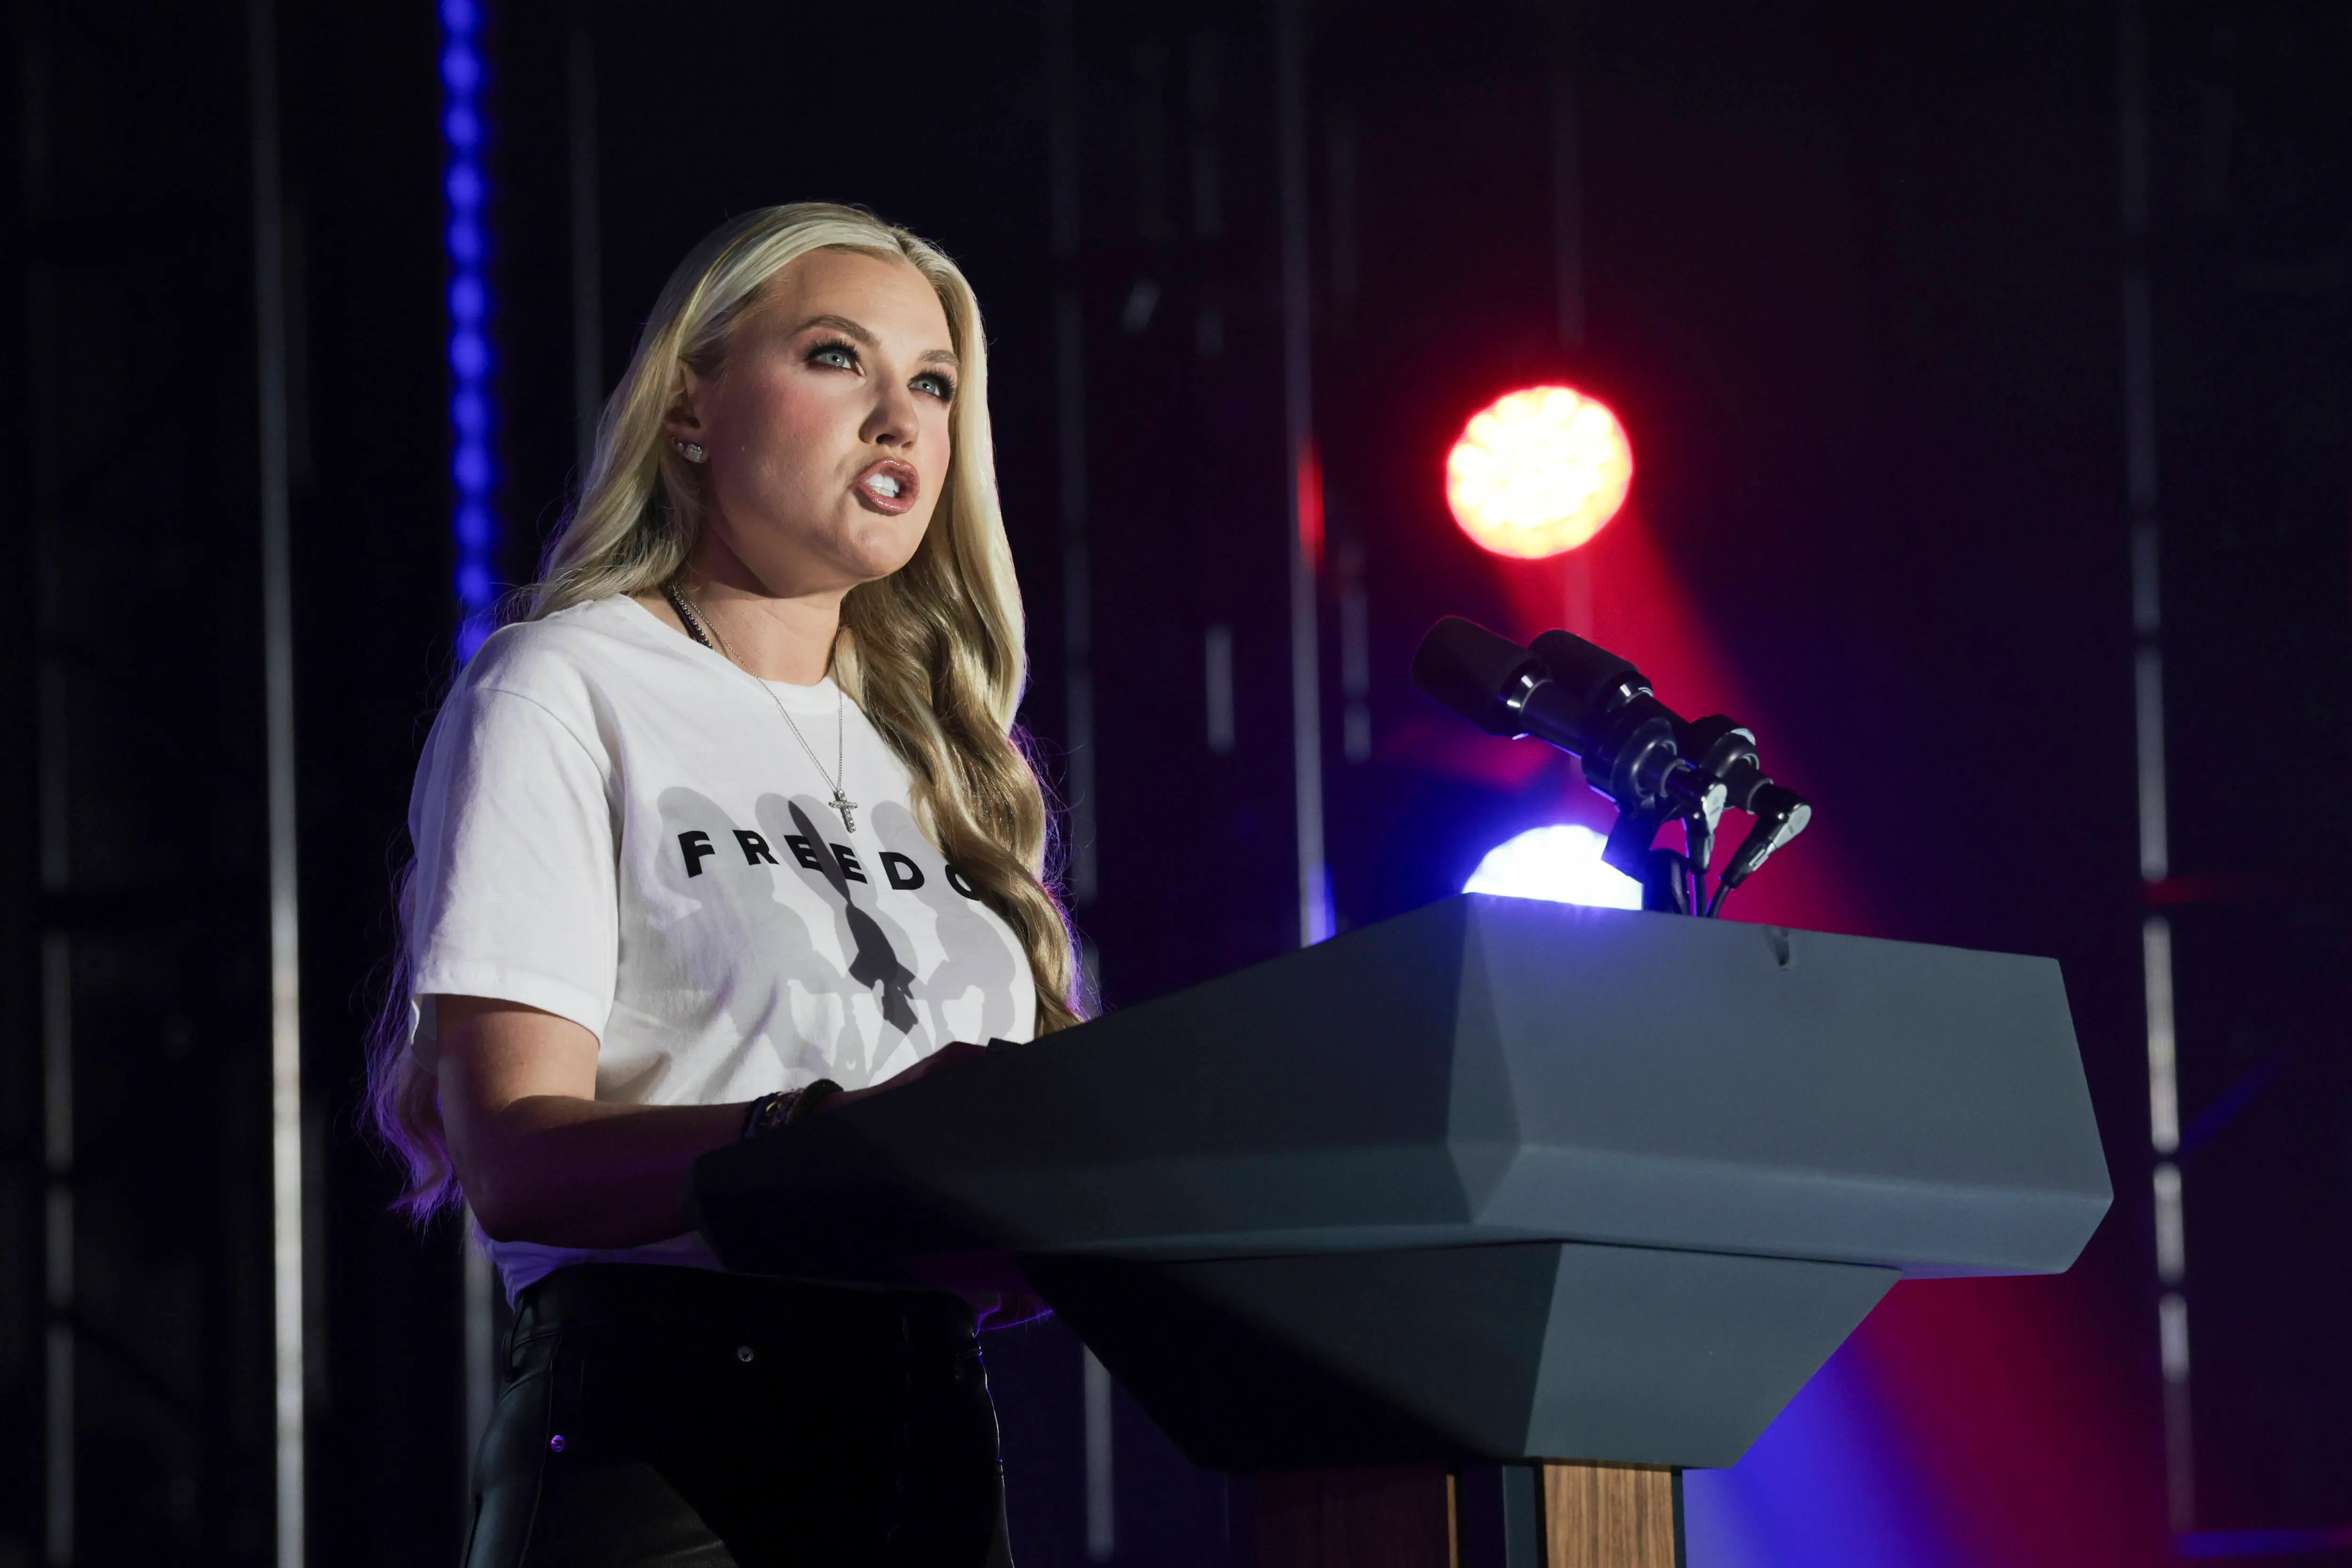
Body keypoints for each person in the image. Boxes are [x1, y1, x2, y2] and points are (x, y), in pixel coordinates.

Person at [364, 202, 1083, 1568]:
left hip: (932, 1449)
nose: (901, 419)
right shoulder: (565, 684)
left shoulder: (952, 761)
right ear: (690, 404)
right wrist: (836, 1138)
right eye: (837, 357)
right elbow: (514, 1159)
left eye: (935, 385)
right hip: (666, 1455)